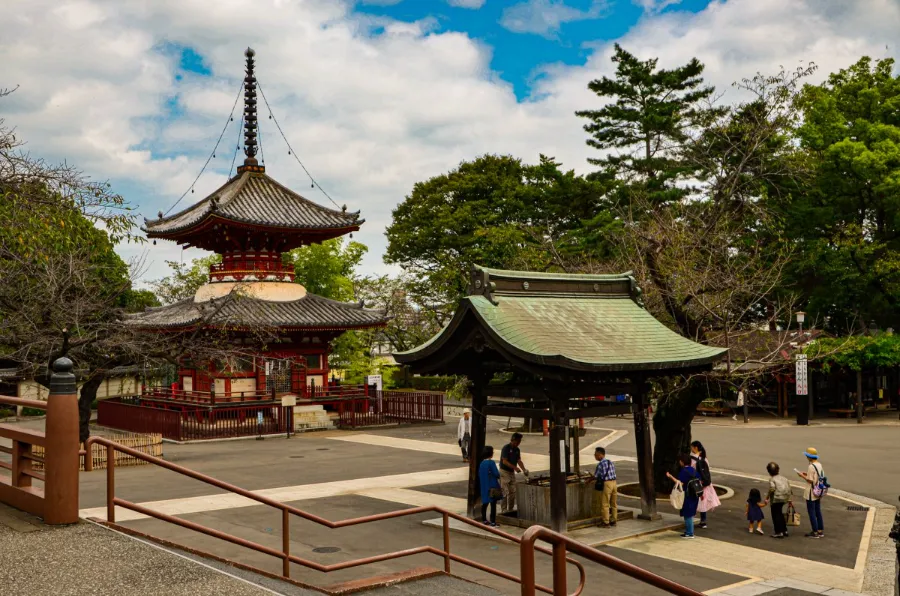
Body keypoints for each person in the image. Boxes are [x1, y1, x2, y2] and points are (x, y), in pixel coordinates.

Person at [667, 453, 700, 539]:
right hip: (695, 494)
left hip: (687, 495)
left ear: (682, 462)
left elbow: (680, 483)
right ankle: (689, 531)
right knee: (690, 513)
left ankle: (690, 533)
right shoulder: (694, 470)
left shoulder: (684, 472)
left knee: (687, 514)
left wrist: (670, 476)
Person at [690, 441, 720, 529]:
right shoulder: (704, 458)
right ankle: (703, 521)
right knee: (703, 501)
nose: (691, 449)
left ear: (695, 448)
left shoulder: (693, 459)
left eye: (692, 447)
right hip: (705, 483)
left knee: (694, 500)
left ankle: (690, 518)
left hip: (697, 483)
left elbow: (692, 470)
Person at [797, 447, 825, 538]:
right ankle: (820, 530)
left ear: (809, 456)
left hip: (811, 491)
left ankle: (815, 531)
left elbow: (810, 480)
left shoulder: (811, 466)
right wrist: (807, 474)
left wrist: (801, 476)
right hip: (818, 490)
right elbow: (818, 476)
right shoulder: (819, 465)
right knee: (818, 511)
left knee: (811, 512)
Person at [499, 432, 529, 514]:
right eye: (518, 441)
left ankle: (510, 508)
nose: (519, 443)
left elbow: (519, 460)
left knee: (513, 491)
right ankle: (504, 509)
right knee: (505, 491)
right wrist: (515, 468)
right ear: (513, 440)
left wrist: (524, 469)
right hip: (504, 472)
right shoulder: (506, 448)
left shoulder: (517, 450)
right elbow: (504, 461)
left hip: (511, 473)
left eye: (520, 442)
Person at [765, 461, 792, 539]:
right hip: (785, 497)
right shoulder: (784, 478)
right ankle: (784, 530)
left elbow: (772, 489)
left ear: (769, 471)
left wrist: (767, 497)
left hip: (777, 498)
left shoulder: (772, 479)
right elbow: (789, 487)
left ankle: (778, 532)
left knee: (775, 514)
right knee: (780, 513)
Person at [593, 447, 617, 527]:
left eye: (595, 455)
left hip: (607, 484)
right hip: (614, 483)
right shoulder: (610, 462)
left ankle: (606, 522)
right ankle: (613, 520)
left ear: (600, 455)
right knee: (613, 503)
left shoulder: (600, 464)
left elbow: (596, 476)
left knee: (605, 503)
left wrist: (588, 480)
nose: (595, 456)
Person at [478, 445, 502, 527]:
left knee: (485, 503)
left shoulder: (482, 463)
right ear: (490, 453)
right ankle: (493, 521)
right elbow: (496, 474)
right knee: (493, 504)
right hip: (492, 486)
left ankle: (484, 519)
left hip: (484, 486)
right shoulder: (491, 463)